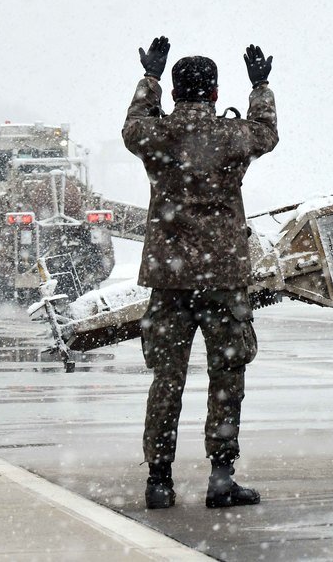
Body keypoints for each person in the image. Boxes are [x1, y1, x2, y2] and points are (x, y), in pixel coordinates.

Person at [123, 36, 278, 510]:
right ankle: (221, 477)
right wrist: (260, 87)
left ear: (174, 93)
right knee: (226, 376)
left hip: (169, 281)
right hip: (222, 278)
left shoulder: (156, 136)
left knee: (166, 380)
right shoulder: (233, 136)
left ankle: (159, 480)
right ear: (214, 93)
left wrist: (149, 79)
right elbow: (266, 132)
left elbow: (132, 126)